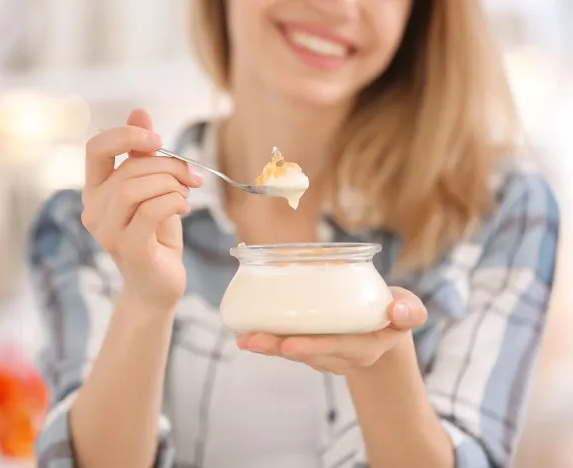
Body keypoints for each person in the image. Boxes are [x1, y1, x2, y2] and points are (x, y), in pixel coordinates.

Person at [29, 1, 560, 467]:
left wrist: (382, 367)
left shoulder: (499, 208)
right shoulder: (102, 222)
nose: (337, 5)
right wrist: (144, 299)